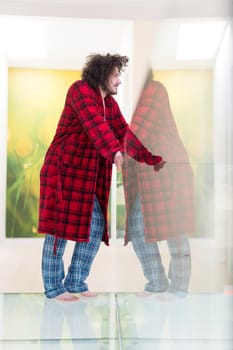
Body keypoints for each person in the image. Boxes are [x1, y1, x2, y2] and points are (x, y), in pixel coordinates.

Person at [38, 54, 165, 301]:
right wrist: (114, 151)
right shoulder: (80, 91)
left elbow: (125, 135)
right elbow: (95, 124)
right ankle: (53, 288)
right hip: (63, 170)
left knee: (95, 227)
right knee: (58, 230)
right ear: (102, 73)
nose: (119, 81)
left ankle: (75, 281)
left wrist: (151, 159)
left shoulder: (111, 106)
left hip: (86, 177)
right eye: (116, 75)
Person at [123, 71, 195, 298]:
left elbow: (136, 133)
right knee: (136, 226)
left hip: (168, 167)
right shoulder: (131, 98)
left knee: (176, 230)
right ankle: (157, 282)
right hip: (149, 172)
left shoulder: (153, 89)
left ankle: (179, 289)